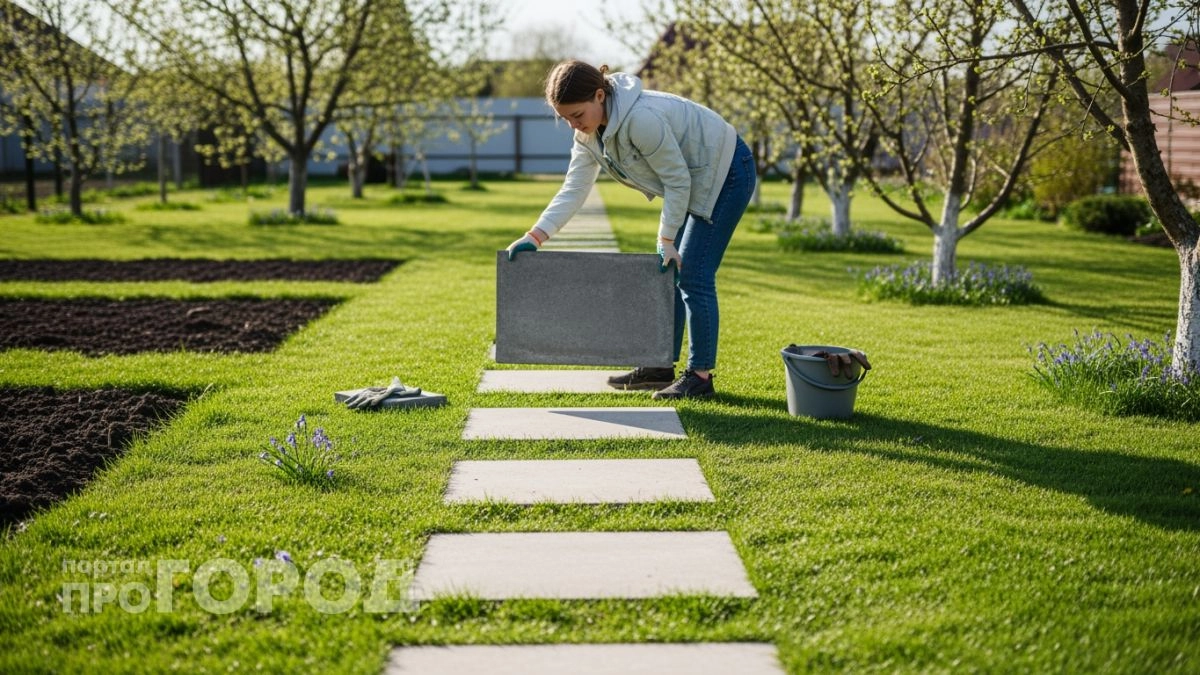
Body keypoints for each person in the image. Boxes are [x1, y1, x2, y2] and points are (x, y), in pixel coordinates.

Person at [506, 60, 755, 399]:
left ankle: (700, 377)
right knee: (669, 272)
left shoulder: (641, 119)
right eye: (565, 119)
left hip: (727, 172)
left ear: (599, 95)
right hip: (691, 178)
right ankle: (659, 365)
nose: (573, 125)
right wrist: (535, 236)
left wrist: (666, 239)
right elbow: (575, 188)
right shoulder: (588, 134)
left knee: (693, 274)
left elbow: (677, 180)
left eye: (577, 115)